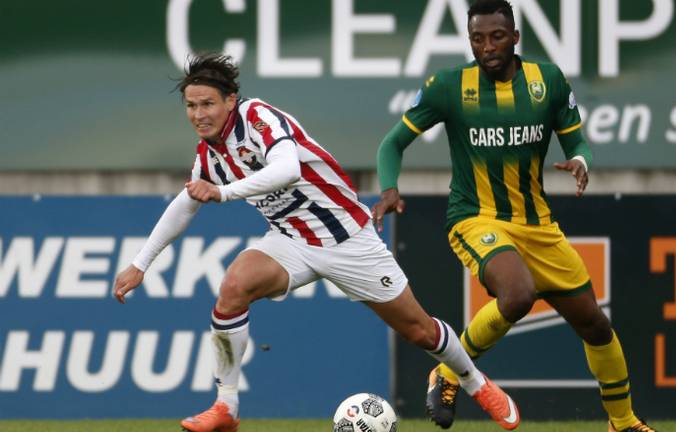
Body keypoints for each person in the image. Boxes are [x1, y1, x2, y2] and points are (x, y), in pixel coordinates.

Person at [112, 53, 521, 432]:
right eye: (191, 106)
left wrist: (223, 193)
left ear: (231, 100)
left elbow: (286, 170)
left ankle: (473, 381)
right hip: (290, 241)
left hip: (349, 238)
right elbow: (186, 203)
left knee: (419, 331)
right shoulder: (210, 154)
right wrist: (141, 263)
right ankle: (227, 407)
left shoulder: (259, 118)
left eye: (208, 104)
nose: (199, 114)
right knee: (232, 288)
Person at [372, 1, 657, 431]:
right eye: (477, 38)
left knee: (595, 325)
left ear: (515, 37)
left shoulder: (548, 82)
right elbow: (391, 143)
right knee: (518, 295)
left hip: (538, 225)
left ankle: (624, 422)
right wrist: (389, 186)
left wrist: (581, 161)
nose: (486, 47)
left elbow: (577, 143)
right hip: (475, 217)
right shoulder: (449, 86)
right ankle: (448, 371)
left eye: (496, 36)